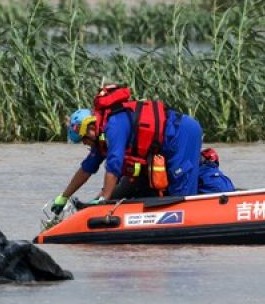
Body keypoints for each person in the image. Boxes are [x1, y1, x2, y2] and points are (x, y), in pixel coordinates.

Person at [48, 85, 218, 215]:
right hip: (166, 143)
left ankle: (215, 201)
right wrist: (64, 197)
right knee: (141, 185)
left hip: (181, 134)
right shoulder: (100, 139)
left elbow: (114, 165)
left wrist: (104, 200)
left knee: (180, 194)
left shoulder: (113, 126)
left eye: (84, 139)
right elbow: (87, 168)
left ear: (90, 127)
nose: (86, 143)